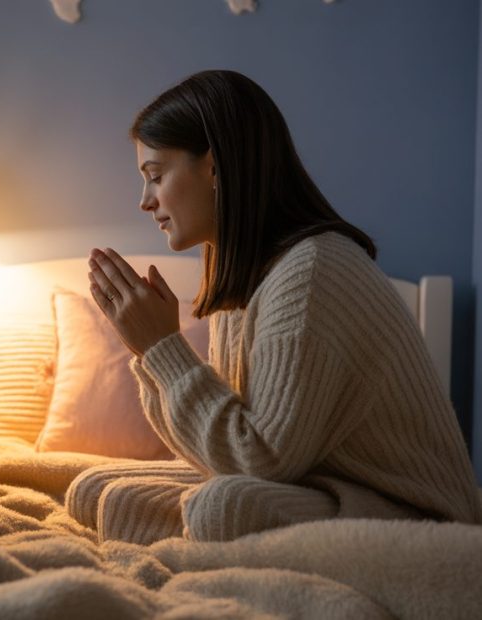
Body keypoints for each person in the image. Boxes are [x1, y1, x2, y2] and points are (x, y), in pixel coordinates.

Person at [67, 70, 482, 545]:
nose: (145, 201)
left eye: (156, 176)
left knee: (222, 508)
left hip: (411, 512)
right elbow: (217, 454)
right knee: (94, 490)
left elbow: (260, 460)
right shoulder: (243, 279)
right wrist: (150, 353)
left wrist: (163, 348)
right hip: (318, 486)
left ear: (216, 166)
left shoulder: (311, 273)